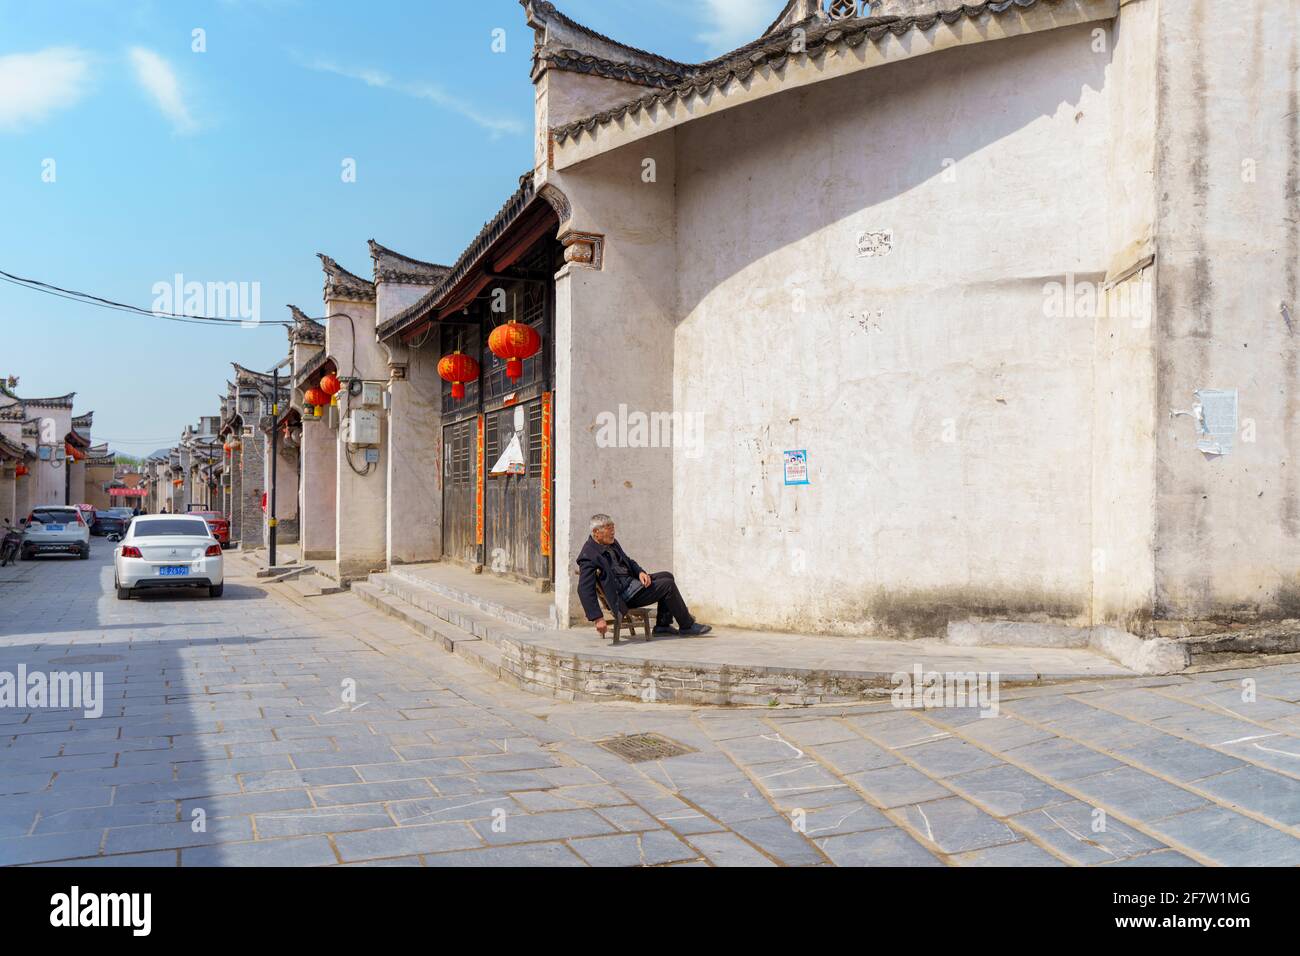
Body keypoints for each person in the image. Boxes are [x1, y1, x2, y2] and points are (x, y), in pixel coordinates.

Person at [576, 514, 711, 638]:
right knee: (667, 585)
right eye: (608, 528)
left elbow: (628, 561)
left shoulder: (611, 543)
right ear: (596, 533)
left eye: (613, 527)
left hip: (632, 584)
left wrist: (641, 572)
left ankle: (662, 626)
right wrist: (597, 618)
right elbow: (584, 589)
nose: (613, 532)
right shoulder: (589, 556)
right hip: (624, 597)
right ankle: (686, 626)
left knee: (667, 576)